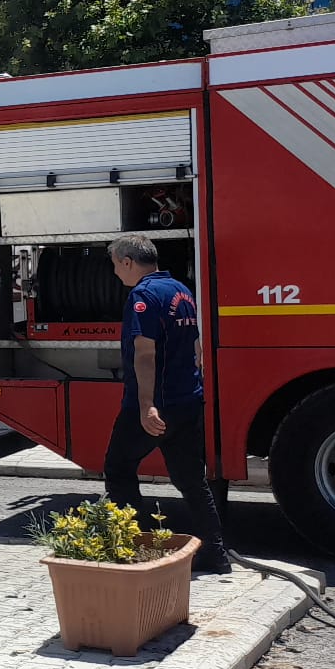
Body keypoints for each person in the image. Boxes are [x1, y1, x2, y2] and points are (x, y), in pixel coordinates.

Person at [104, 234, 229, 574]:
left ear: (128, 262)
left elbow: (145, 353)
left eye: (116, 266)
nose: (116, 273)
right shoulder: (181, 290)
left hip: (155, 405)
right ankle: (216, 555)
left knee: (118, 468)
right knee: (191, 479)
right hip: (188, 399)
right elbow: (196, 344)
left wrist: (146, 406)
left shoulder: (142, 295)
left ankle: (130, 547)